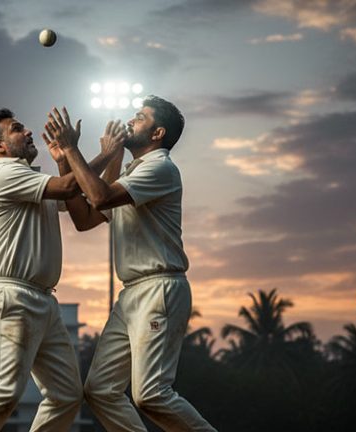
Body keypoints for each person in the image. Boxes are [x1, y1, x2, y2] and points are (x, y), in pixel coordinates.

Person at [44, 97, 217, 431]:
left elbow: (100, 197)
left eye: (141, 117)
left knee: (151, 394)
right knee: (100, 390)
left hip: (159, 287)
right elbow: (85, 218)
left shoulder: (160, 167)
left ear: (157, 133)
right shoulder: (132, 172)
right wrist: (68, 158)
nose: (131, 120)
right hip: (132, 294)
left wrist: (73, 149)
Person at [0, 108, 118, 432]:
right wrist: (103, 153)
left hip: (43, 301)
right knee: (3, 393)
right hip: (12, 297)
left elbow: (82, 210)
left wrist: (66, 159)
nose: (28, 132)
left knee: (67, 395)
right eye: (17, 129)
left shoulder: (32, 178)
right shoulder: (3, 173)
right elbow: (69, 187)